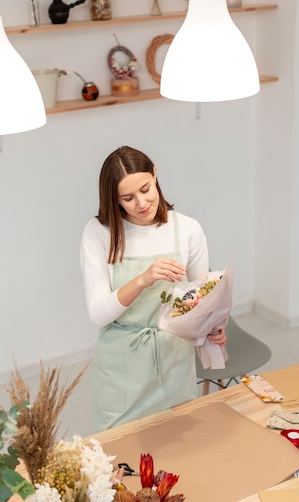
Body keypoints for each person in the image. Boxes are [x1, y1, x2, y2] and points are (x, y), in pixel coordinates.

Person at [80, 145, 226, 431]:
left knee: (175, 457)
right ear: (114, 199)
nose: (142, 203)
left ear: (155, 174)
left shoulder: (187, 229)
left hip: (173, 362)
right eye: (127, 198)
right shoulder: (99, 233)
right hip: (122, 370)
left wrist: (214, 327)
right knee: (119, 462)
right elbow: (98, 314)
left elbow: (201, 299)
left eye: (146, 188)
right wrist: (143, 279)